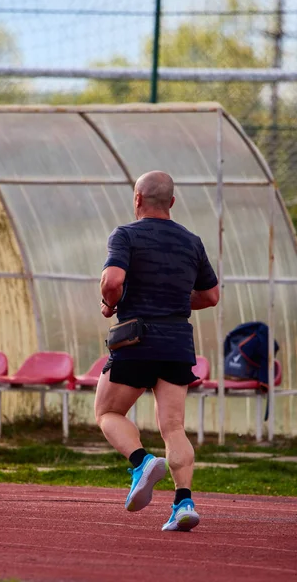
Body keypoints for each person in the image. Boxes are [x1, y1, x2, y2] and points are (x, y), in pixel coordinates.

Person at [94, 170, 219, 532]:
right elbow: (210, 296)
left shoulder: (126, 235)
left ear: (137, 199)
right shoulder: (191, 241)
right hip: (178, 341)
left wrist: (110, 302)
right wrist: (176, 300)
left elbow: (112, 280)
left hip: (137, 339)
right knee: (174, 427)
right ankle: (183, 503)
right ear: (172, 203)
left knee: (107, 412)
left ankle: (141, 461)